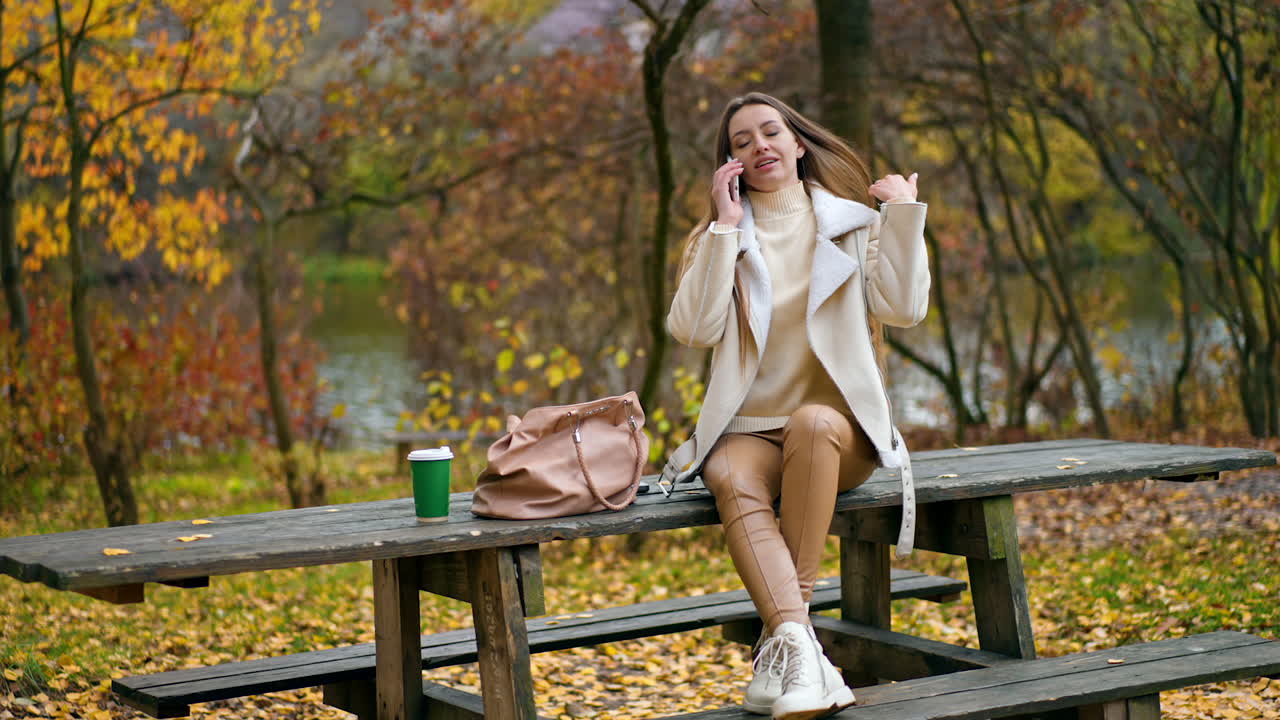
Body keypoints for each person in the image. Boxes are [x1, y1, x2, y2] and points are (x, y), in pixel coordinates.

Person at [659, 92, 929, 720]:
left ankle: (789, 650)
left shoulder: (853, 223)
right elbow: (693, 330)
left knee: (812, 422)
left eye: (770, 132)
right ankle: (803, 653)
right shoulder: (717, 239)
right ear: (730, 163)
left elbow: (903, 309)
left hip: (842, 432)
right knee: (725, 471)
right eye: (742, 141)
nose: (759, 147)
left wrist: (904, 215)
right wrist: (724, 226)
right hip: (752, 431)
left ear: (798, 143)